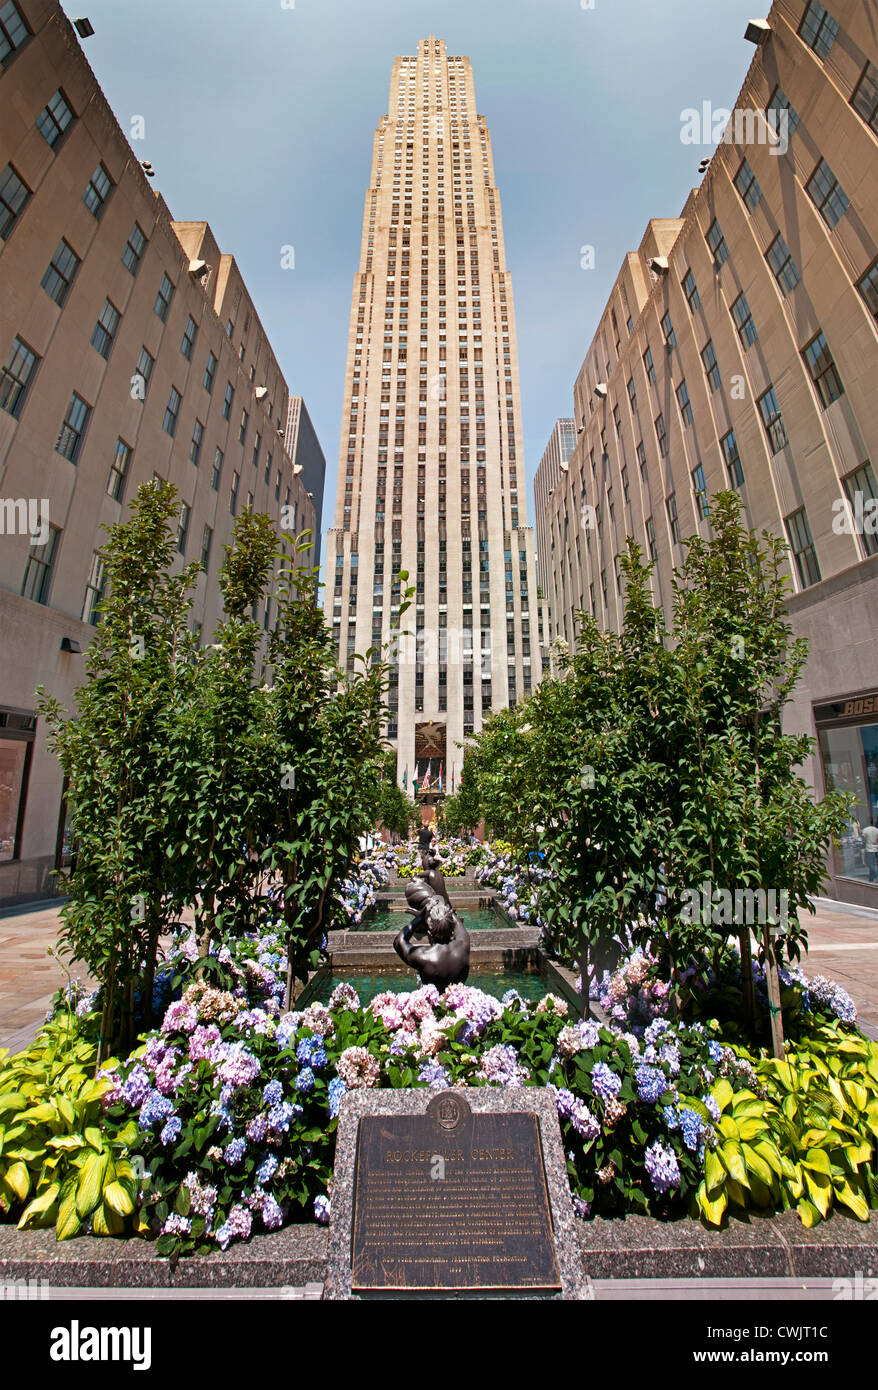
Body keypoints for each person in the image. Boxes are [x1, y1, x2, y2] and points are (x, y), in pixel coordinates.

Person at [394, 893, 470, 988]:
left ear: (429, 932)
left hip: (431, 1002)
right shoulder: (463, 944)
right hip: (457, 1002)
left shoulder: (423, 957)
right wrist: (443, 909)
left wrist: (420, 917)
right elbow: (457, 921)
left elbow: (398, 941)